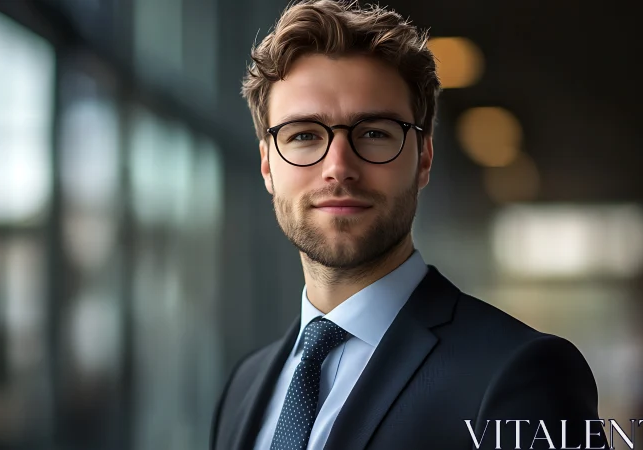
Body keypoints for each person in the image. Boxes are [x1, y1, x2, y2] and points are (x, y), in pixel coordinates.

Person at [211, 1, 608, 449]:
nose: (338, 167)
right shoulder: (243, 389)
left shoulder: (522, 374)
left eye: (375, 133)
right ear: (267, 165)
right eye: (304, 135)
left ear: (423, 159)